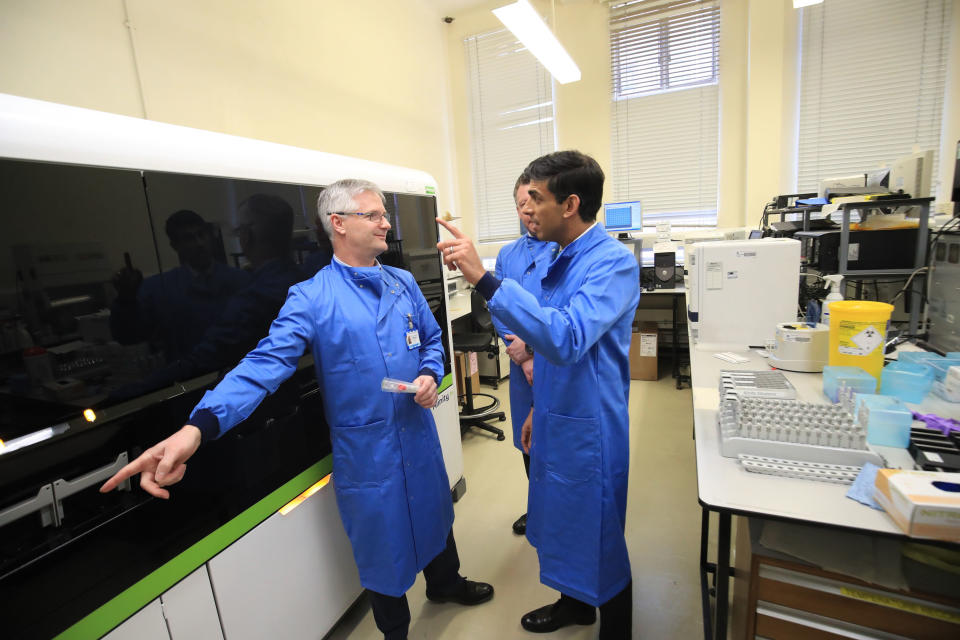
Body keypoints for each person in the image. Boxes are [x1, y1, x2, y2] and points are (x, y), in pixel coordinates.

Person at [101, 179, 493, 640]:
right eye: (374, 215)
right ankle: (396, 632)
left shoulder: (402, 282)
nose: (387, 222)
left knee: (434, 513)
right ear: (339, 224)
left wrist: (429, 374)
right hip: (368, 454)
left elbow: (431, 341)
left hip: (417, 434)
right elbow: (262, 366)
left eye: (384, 213)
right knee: (381, 548)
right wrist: (196, 430)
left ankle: (445, 584)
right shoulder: (310, 298)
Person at [437, 151, 639, 638]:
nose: (527, 208)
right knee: (562, 523)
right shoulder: (556, 256)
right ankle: (575, 604)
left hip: (589, 421)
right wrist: (539, 412)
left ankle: (616, 629)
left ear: (570, 204)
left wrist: (485, 280)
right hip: (554, 410)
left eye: (536, 198)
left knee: (600, 533)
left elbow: (566, 338)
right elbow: (541, 346)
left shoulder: (611, 263)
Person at [491, 173, 557, 536]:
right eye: (522, 205)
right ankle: (537, 507)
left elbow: (557, 312)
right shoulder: (508, 255)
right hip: (521, 366)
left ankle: (558, 510)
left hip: (557, 360)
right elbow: (497, 305)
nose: (529, 212)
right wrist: (517, 350)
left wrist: (531, 347)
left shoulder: (564, 248)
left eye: (535, 203)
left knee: (556, 437)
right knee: (527, 440)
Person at [110, 209, 250, 361]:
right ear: (175, 246)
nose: (199, 243)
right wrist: (125, 300)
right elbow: (128, 337)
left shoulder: (241, 280)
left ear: (209, 236)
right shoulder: (159, 288)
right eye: (189, 238)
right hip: (191, 379)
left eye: (201, 235)